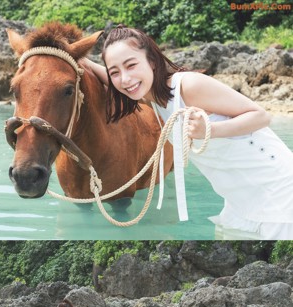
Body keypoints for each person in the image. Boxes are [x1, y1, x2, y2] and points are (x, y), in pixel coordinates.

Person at [86, 25, 293, 239]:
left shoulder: (188, 86)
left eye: (131, 65)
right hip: (241, 202)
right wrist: (78, 59)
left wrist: (210, 130)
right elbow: (110, 81)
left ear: (153, 62)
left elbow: (261, 116)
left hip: (278, 192)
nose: (125, 79)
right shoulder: (152, 97)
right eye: (115, 72)